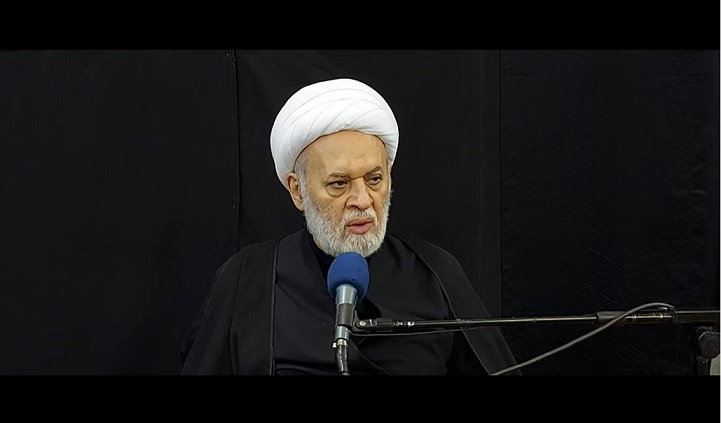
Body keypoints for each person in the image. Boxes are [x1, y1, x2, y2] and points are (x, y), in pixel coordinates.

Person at [179, 78, 521, 375]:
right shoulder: (247, 280)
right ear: (297, 190)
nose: (362, 199)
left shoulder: (435, 273)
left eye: (374, 179)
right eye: (339, 184)